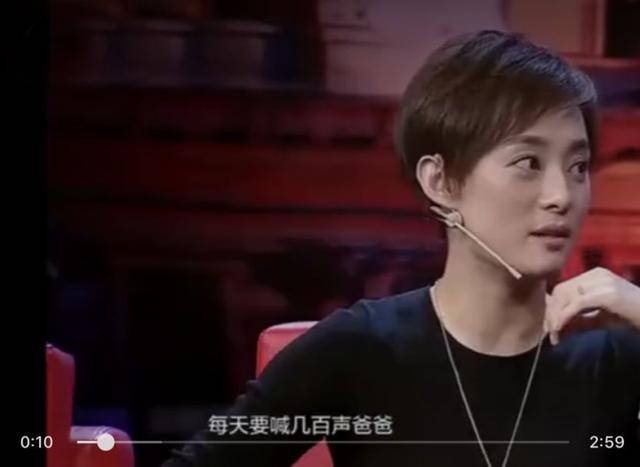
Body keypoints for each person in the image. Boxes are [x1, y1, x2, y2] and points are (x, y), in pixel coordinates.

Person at [161, 30, 640, 467]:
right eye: (528, 162)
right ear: (441, 182)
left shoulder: (614, 358)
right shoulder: (359, 349)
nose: (561, 195)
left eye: (578, 167)